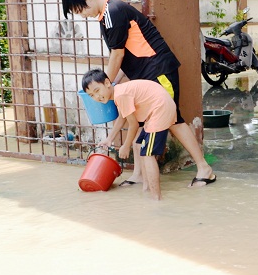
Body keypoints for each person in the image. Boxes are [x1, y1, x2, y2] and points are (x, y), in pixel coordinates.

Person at [62, 0, 213, 187]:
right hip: (144, 73)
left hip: (159, 71)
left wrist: (107, 86)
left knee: (174, 119)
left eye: (80, 10)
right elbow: (127, 54)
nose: (82, 15)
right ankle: (140, 175)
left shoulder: (112, 12)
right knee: (142, 124)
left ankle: (204, 168)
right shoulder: (105, 15)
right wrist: (113, 84)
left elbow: (117, 54)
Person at [82, 69, 216, 200]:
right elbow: (123, 116)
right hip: (159, 109)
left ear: (106, 83)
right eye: (91, 95)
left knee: (147, 154)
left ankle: (156, 198)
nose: (97, 97)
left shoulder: (120, 95)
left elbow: (133, 124)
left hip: (159, 111)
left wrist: (126, 145)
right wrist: (109, 138)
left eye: (97, 90)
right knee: (140, 145)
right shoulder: (119, 92)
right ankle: (146, 189)